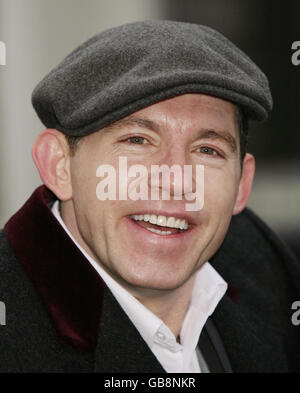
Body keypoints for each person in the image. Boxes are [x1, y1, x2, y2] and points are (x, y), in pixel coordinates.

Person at [0, 20, 299, 373]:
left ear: (241, 185)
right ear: (59, 165)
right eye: (137, 141)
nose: (174, 181)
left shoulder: (265, 268)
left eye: (207, 150)